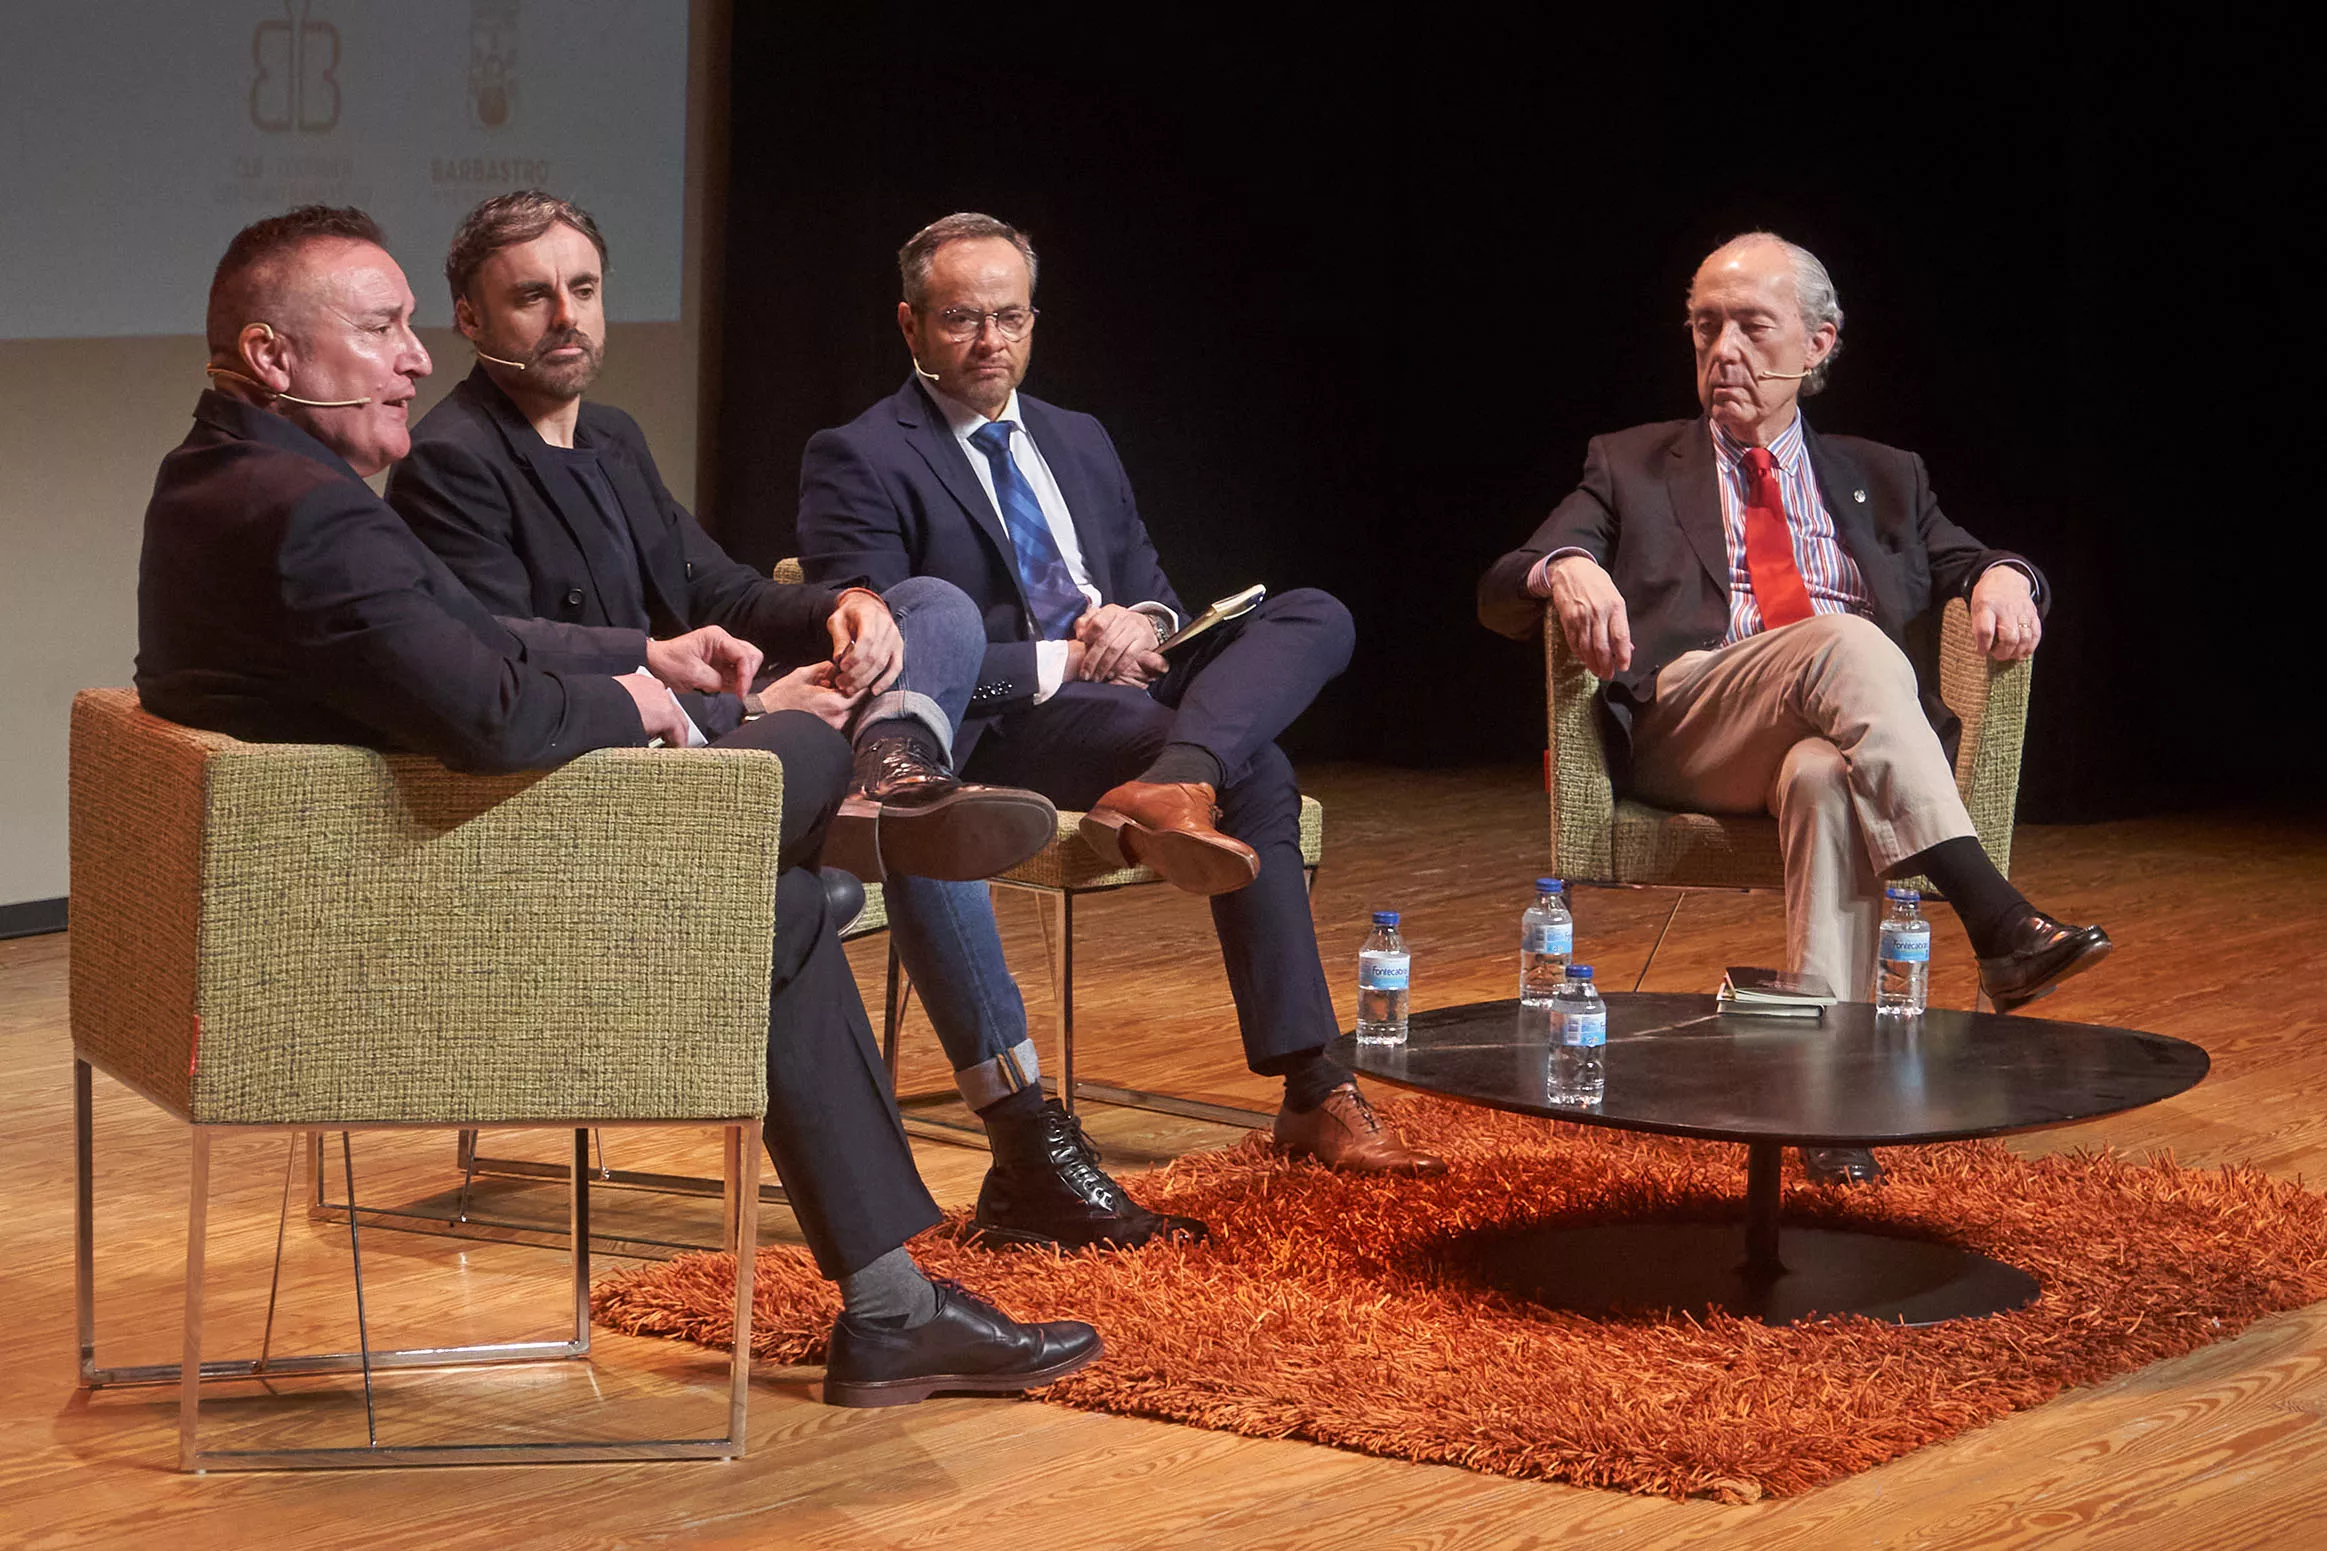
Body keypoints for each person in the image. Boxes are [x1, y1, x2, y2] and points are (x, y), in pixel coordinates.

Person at [138, 205, 1098, 1406]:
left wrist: (649, 662)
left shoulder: (224, 478)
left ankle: (894, 1307)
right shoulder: (308, 513)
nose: (416, 359)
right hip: (421, 926)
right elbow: (488, 713)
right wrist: (654, 707)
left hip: (396, 886)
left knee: (781, 908)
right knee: (803, 759)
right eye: (382, 330)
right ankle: (883, 790)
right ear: (272, 354)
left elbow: (466, 638)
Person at [797, 211, 1444, 1225]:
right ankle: (1313, 1085)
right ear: (910, 325)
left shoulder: (1077, 437)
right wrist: (1066, 656)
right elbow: (891, 658)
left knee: (1315, 613)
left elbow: (1153, 590)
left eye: (1010, 317)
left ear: (1033, 320)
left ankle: (1180, 774)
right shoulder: (859, 454)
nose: (990, 341)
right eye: (962, 319)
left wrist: (1143, 623)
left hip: (1134, 690)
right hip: (1007, 724)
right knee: (1259, 766)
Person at [1478, 231, 2112, 1186]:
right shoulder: (1631, 463)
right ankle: (1992, 914)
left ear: (1818, 344)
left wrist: (2008, 576)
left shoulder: (1885, 474)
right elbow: (1498, 590)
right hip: (1693, 722)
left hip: (1829, 731)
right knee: (1845, 641)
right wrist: (1561, 565)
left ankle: (1824, 1098)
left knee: (1824, 777)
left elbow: (1970, 558)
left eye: (1750, 326)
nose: (1723, 350)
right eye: (1705, 328)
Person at [386, 191, 1055, 888]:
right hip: (601, 765)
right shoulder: (450, 460)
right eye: (533, 296)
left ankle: (890, 773)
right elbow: (506, 670)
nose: (567, 317)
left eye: (583, 289)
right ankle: (886, 797)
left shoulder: (612, 435)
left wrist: (841, 607)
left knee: (928, 606)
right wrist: (752, 707)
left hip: (700, 727)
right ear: (470, 318)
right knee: (821, 761)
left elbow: (720, 590)